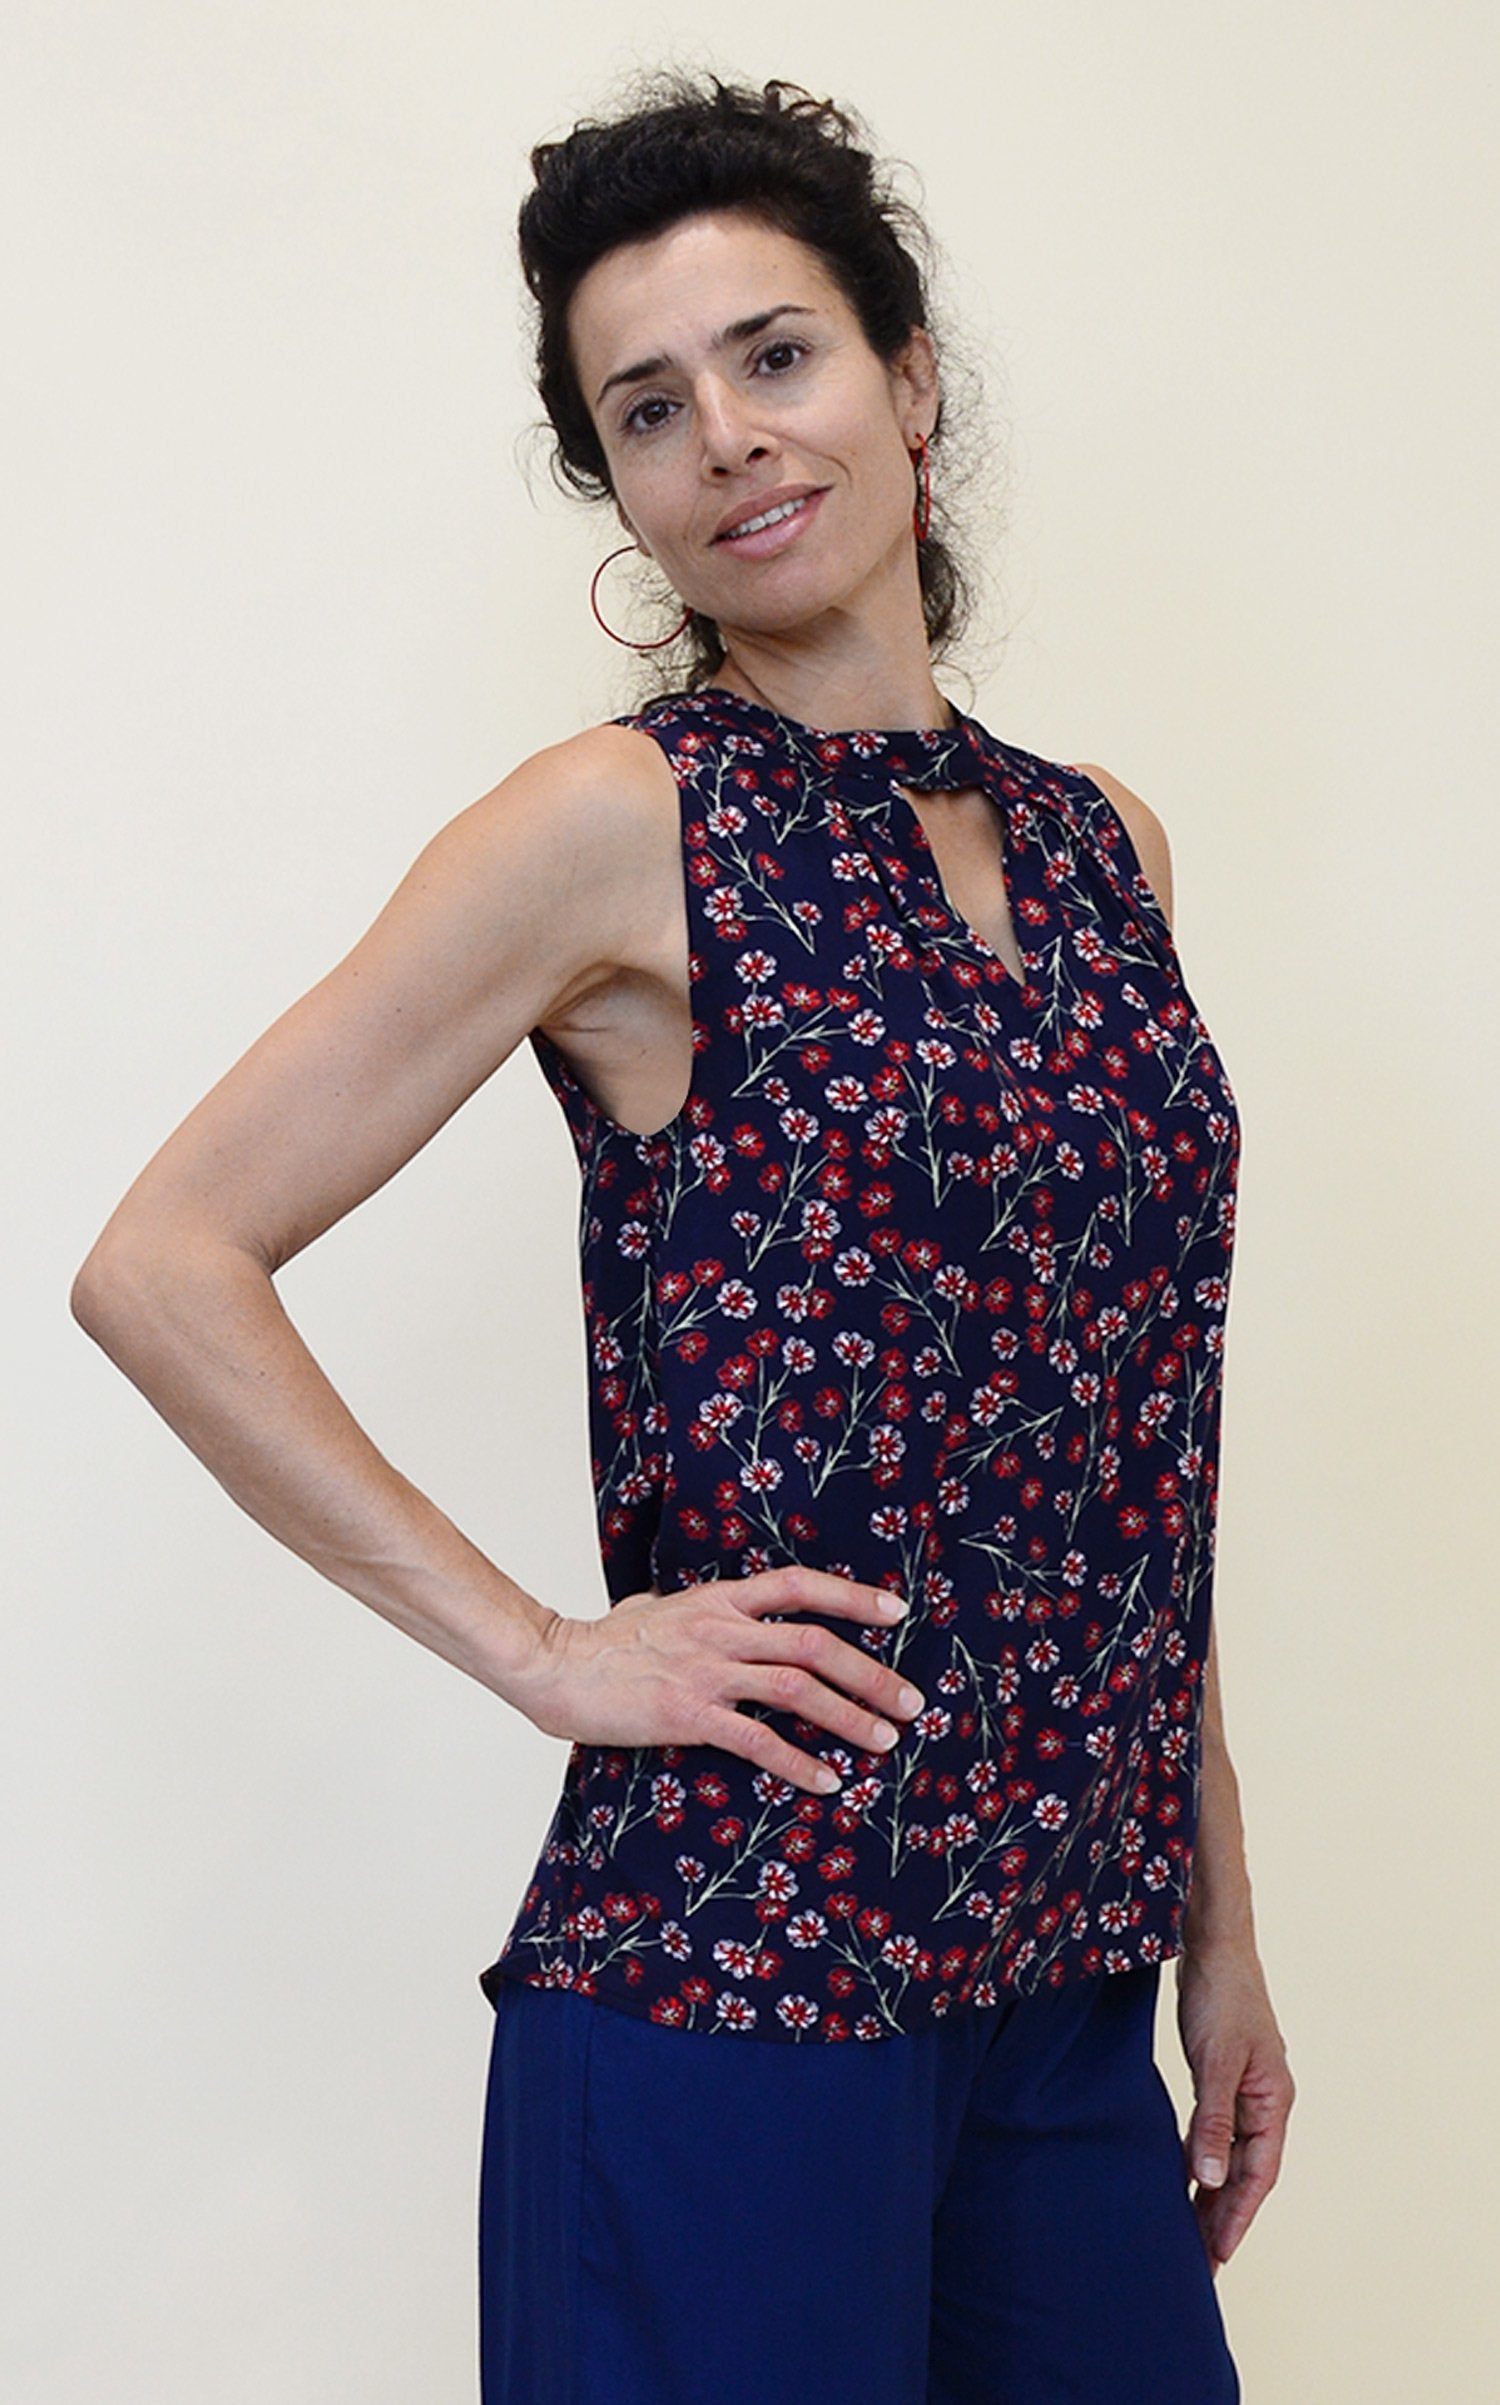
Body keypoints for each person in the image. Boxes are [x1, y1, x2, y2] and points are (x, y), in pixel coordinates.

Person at [72, 67, 1294, 2405]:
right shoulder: (615, 824)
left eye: (775, 355)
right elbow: (164, 1260)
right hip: (740, 1981)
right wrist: (546, 1650)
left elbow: (1123, 1430)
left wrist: (1216, 1918)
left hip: (1067, 1993)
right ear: (621, 491)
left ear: (910, 381)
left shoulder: (1105, 849)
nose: (726, 436)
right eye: (649, 408)